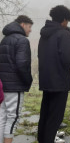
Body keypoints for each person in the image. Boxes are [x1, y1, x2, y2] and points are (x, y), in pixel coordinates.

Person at [37, 5, 70, 143]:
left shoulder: (44, 34)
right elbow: (69, 59)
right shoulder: (63, 34)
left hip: (46, 80)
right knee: (56, 117)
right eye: (67, 21)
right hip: (59, 82)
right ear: (64, 19)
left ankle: (42, 139)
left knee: (45, 114)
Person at [0, 15, 33, 143]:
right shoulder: (22, 40)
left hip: (3, 86)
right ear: (22, 25)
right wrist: (27, 81)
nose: (30, 30)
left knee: (2, 117)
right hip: (15, 86)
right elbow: (22, 64)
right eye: (29, 27)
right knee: (13, 118)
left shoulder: (5, 39)